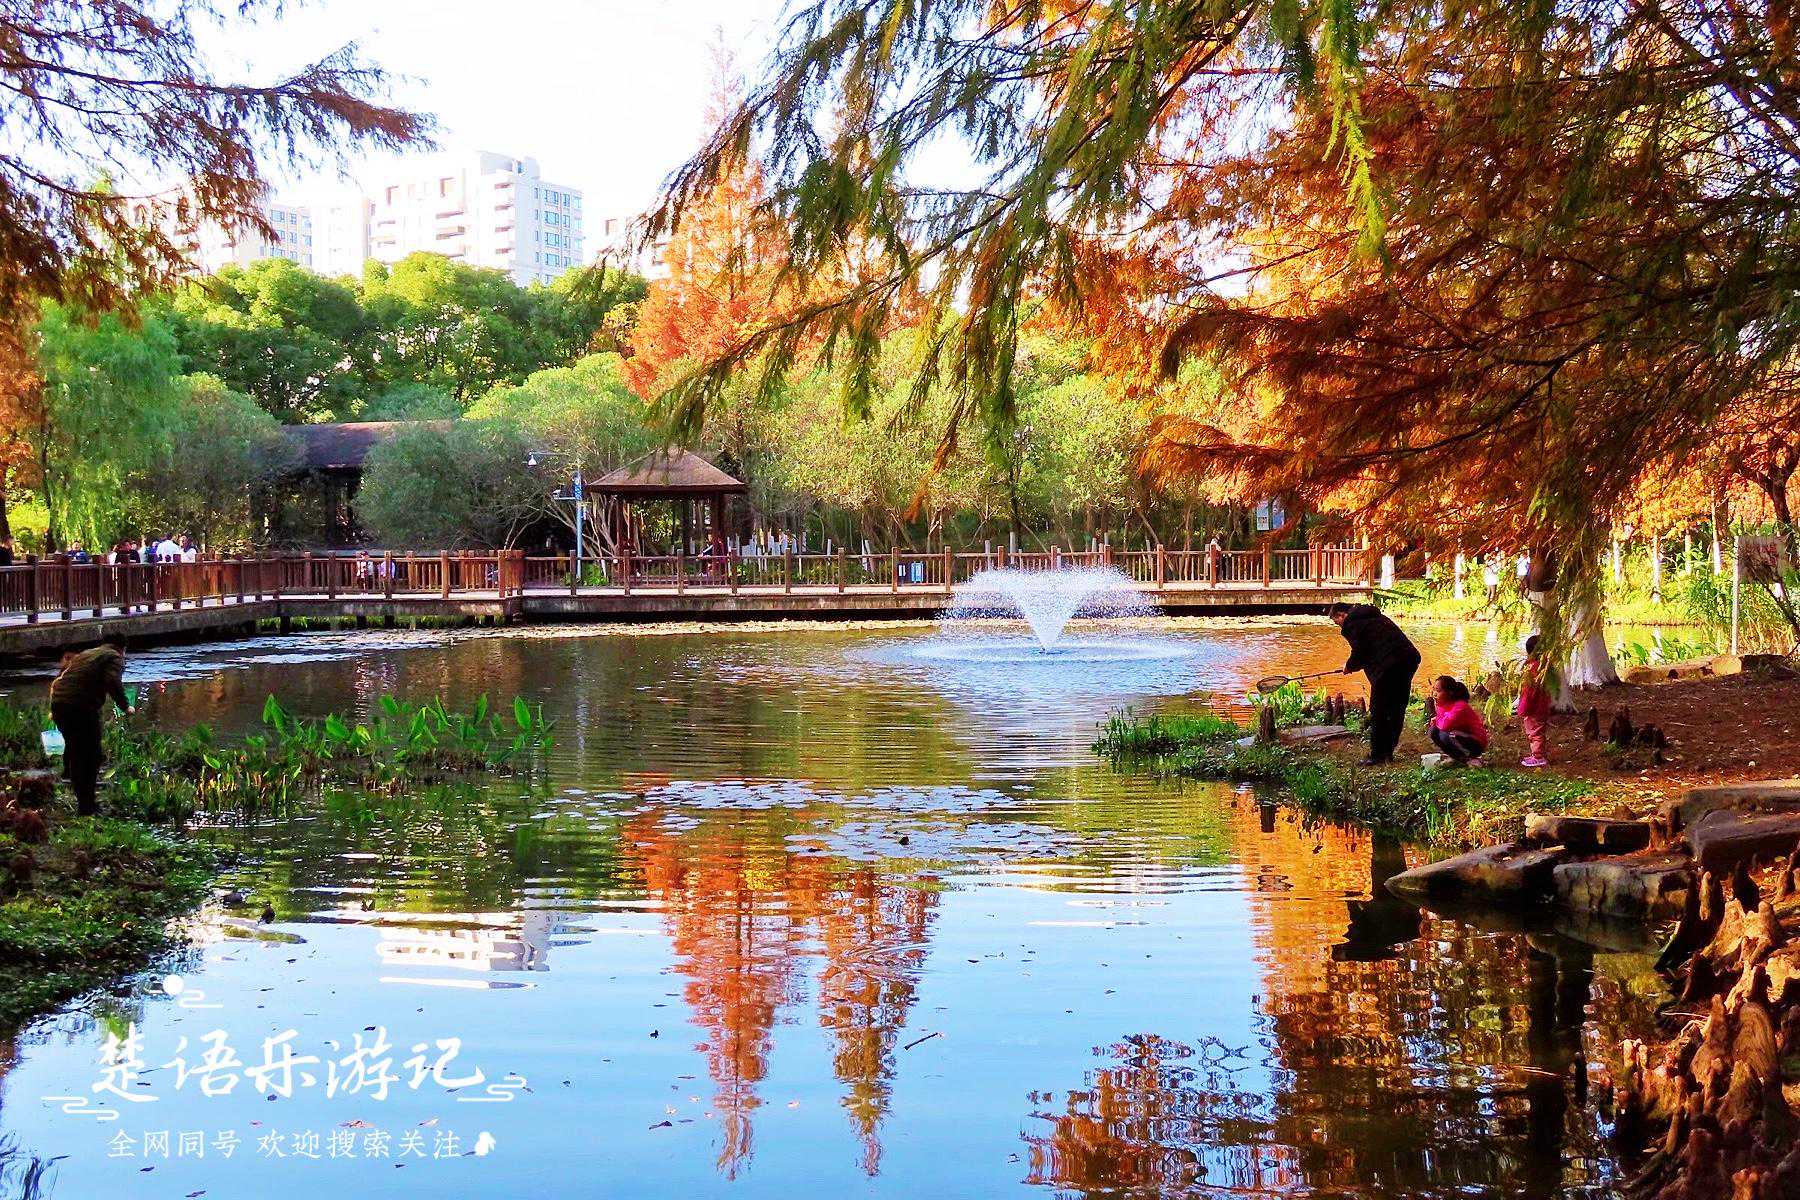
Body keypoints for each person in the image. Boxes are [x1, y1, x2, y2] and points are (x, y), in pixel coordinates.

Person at [1330, 601, 1422, 765]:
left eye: (1337, 622)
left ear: (1341, 615)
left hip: (1388, 666)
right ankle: (1388, 752)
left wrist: (1349, 666)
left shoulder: (1352, 623)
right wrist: (1353, 665)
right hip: (1409, 658)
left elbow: (1360, 651)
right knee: (1397, 707)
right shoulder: (1373, 615)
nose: (1339, 626)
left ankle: (1378, 755)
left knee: (1379, 710)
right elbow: (1371, 646)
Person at [49, 642, 135, 816]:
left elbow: (64, 678)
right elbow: (112, 681)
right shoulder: (114, 656)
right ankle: (87, 806)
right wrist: (125, 706)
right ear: (123, 649)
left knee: (76, 752)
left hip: (59, 704)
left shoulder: (88, 654)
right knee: (91, 756)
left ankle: (83, 801)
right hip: (80, 707)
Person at [1428, 676, 1489, 765]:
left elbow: (1445, 725)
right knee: (1433, 731)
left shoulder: (1460, 706)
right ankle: (1457, 757)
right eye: (1434, 690)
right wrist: (1437, 720)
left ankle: (1470, 758)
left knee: (1445, 734)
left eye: (1438, 691)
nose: (1434, 694)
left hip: (1476, 742)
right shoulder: (1442, 705)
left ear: (1449, 693)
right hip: (1460, 735)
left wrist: (1436, 720)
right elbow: (1442, 722)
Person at [1516, 635, 1553, 767]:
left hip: (1534, 707)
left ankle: (1538, 756)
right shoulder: (1544, 667)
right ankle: (1538, 754)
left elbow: (1529, 691)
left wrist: (1523, 708)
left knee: (1535, 732)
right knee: (1537, 730)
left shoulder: (1533, 669)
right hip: (1541, 705)